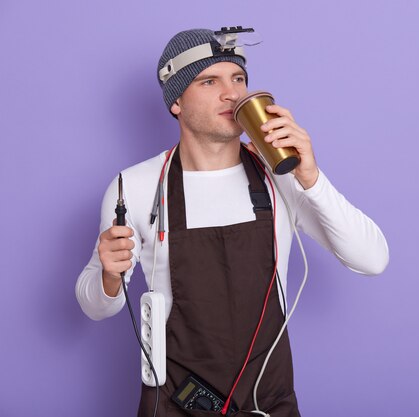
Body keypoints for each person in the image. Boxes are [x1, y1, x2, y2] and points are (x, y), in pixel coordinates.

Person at [75, 28, 389, 417]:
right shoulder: (135, 187)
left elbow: (372, 260)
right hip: (176, 403)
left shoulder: (280, 176)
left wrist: (311, 177)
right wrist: (108, 275)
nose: (232, 93)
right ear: (176, 102)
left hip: (267, 403)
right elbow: (95, 307)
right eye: (210, 81)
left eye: (238, 79)